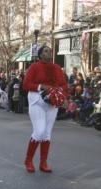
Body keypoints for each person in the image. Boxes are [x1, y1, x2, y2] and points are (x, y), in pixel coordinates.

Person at [23, 45, 67, 173]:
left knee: (47, 133)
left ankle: (43, 162)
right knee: (40, 131)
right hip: (37, 101)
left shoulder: (57, 68)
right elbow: (26, 84)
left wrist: (61, 93)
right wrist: (42, 86)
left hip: (52, 102)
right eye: (46, 51)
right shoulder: (34, 67)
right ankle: (28, 160)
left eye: (50, 51)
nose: (49, 53)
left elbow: (64, 84)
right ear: (41, 54)